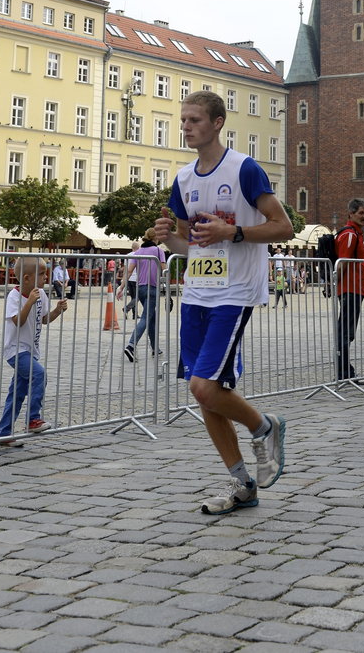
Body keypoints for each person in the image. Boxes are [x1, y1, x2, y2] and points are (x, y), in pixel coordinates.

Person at [153, 90, 293, 515]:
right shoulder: (183, 179)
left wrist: (232, 233)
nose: (186, 126)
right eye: (182, 120)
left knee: (203, 386)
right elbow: (188, 245)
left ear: (217, 122)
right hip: (197, 291)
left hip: (235, 293)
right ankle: (242, 485)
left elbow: (283, 227)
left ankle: (266, 426)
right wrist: (166, 238)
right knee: (206, 396)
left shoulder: (244, 169)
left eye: (194, 119)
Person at [0, 257, 67, 446]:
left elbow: (44, 319)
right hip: (15, 350)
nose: (46, 277)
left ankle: (4, 434)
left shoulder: (41, 295)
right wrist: (29, 302)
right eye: (42, 274)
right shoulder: (14, 296)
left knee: (17, 394)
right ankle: (33, 419)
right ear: (26, 278)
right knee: (39, 374)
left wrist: (57, 310)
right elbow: (17, 321)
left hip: (31, 350)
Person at [118, 234, 167, 362]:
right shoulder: (158, 250)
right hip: (153, 287)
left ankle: (155, 348)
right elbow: (164, 269)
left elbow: (128, 271)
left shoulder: (138, 252)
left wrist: (121, 287)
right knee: (146, 318)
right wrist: (166, 283)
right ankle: (131, 345)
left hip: (141, 288)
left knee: (151, 317)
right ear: (155, 239)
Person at [336, 198, 364, 384]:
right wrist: (335, 285)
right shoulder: (350, 234)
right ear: (350, 214)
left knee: (347, 331)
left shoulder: (356, 233)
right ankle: (343, 372)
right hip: (350, 288)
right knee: (346, 332)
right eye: (361, 213)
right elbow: (343, 262)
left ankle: (346, 370)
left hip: (355, 288)